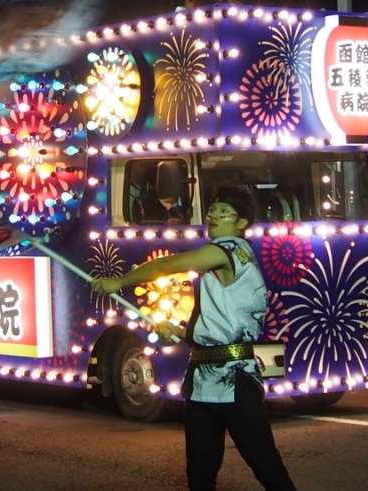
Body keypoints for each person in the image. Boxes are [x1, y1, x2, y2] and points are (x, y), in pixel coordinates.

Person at [92, 186, 296, 491]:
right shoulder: (229, 255)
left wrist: (118, 282)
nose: (213, 216)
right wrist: (182, 333)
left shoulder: (227, 249)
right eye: (212, 210)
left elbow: (166, 266)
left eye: (224, 212)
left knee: (266, 466)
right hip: (202, 379)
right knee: (201, 475)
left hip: (235, 377)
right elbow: (221, 316)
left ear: (241, 223)